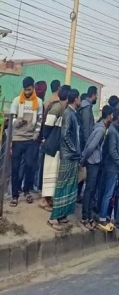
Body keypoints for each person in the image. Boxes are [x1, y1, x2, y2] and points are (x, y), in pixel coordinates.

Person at [47, 89, 81, 231]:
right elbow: (65, 135)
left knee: (69, 186)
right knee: (63, 185)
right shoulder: (68, 114)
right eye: (79, 98)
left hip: (71, 156)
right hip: (68, 156)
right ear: (76, 99)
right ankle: (53, 218)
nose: (80, 100)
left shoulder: (72, 113)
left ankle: (62, 216)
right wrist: (74, 150)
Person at [9, 76, 41, 206]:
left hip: (31, 139)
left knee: (29, 166)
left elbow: (39, 121)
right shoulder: (17, 101)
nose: (27, 92)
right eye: (25, 90)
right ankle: (15, 195)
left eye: (29, 89)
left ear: (33, 88)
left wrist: (36, 134)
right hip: (17, 138)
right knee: (15, 168)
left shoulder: (38, 102)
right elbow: (12, 120)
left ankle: (26, 191)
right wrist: (18, 122)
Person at [80, 106, 113, 230]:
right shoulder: (100, 130)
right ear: (109, 116)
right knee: (89, 190)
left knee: (91, 190)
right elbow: (90, 146)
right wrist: (83, 160)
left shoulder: (101, 127)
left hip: (93, 161)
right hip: (92, 162)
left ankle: (88, 216)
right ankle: (85, 217)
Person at [39, 83, 67, 212]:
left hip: (55, 147)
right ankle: (44, 200)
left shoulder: (63, 108)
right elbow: (47, 125)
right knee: (48, 173)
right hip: (51, 146)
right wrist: (49, 139)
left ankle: (49, 198)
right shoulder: (57, 108)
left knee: (52, 174)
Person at [97, 109, 119, 232]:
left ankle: (104, 217)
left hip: (114, 167)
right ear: (116, 117)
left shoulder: (115, 129)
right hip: (113, 168)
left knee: (109, 193)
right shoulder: (113, 131)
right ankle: (102, 217)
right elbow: (112, 150)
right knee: (108, 194)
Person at [77, 86, 97, 153]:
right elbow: (86, 126)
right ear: (93, 95)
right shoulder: (86, 107)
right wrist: (87, 144)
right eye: (96, 95)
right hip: (84, 142)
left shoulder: (85, 105)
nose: (97, 97)